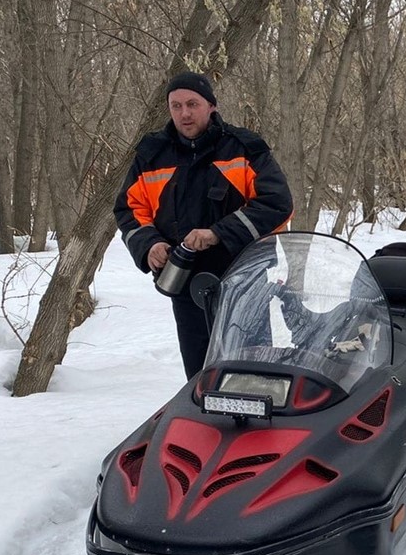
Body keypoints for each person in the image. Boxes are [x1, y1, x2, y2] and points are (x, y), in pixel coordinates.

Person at [114, 71, 294, 378]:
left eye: (192, 104)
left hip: (245, 282)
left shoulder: (244, 148)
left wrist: (217, 234)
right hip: (185, 283)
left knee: (249, 376)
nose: (184, 113)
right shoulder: (152, 155)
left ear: (211, 106)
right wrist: (149, 245)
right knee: (199, 378)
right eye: (176, 106)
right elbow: (129, 209)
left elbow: (278, 204)